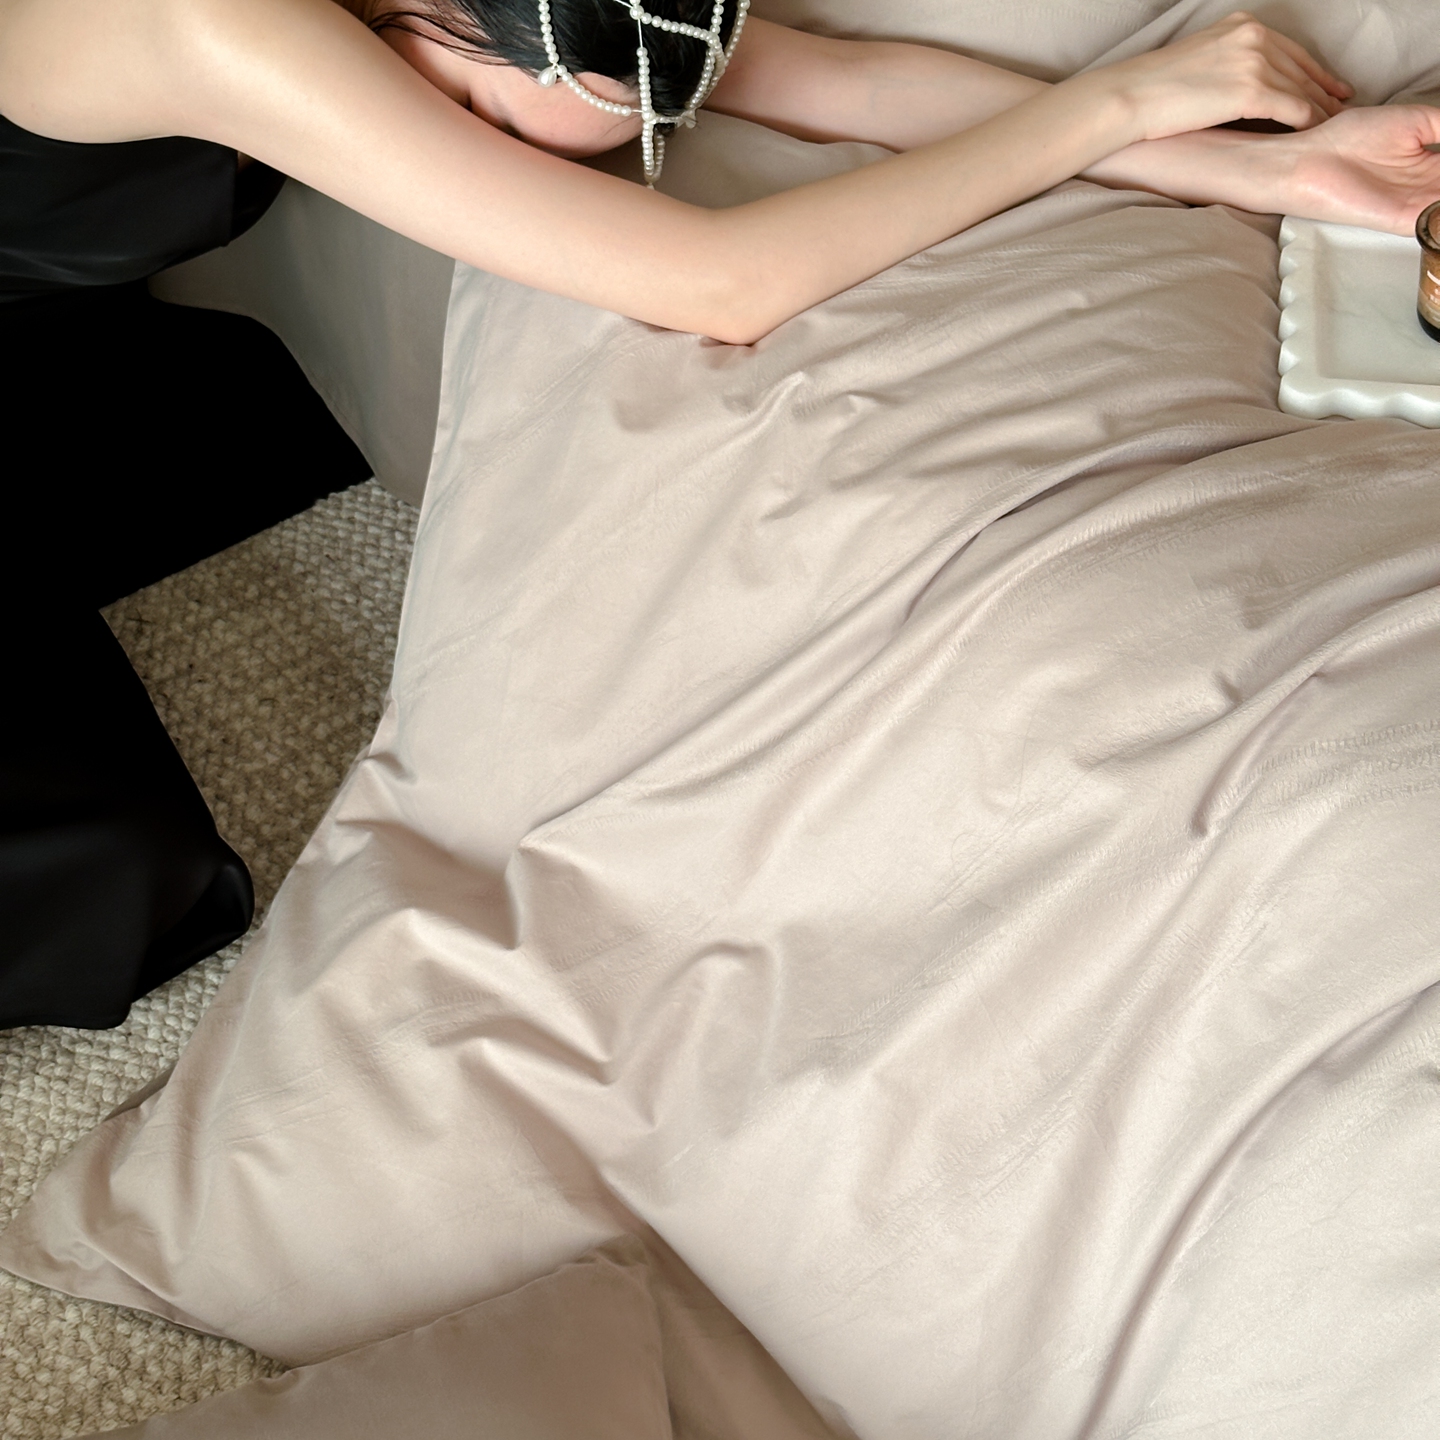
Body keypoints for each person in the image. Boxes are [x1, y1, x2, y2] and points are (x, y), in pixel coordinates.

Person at [1, 1, 1436, 1029]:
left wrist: (1257, 166)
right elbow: (718, 280)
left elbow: (842, 82)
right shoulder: (206, 20)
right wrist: (1118, 102)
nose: (520, 170)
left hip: (61, 313)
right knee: (107, 890)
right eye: (489, 121)